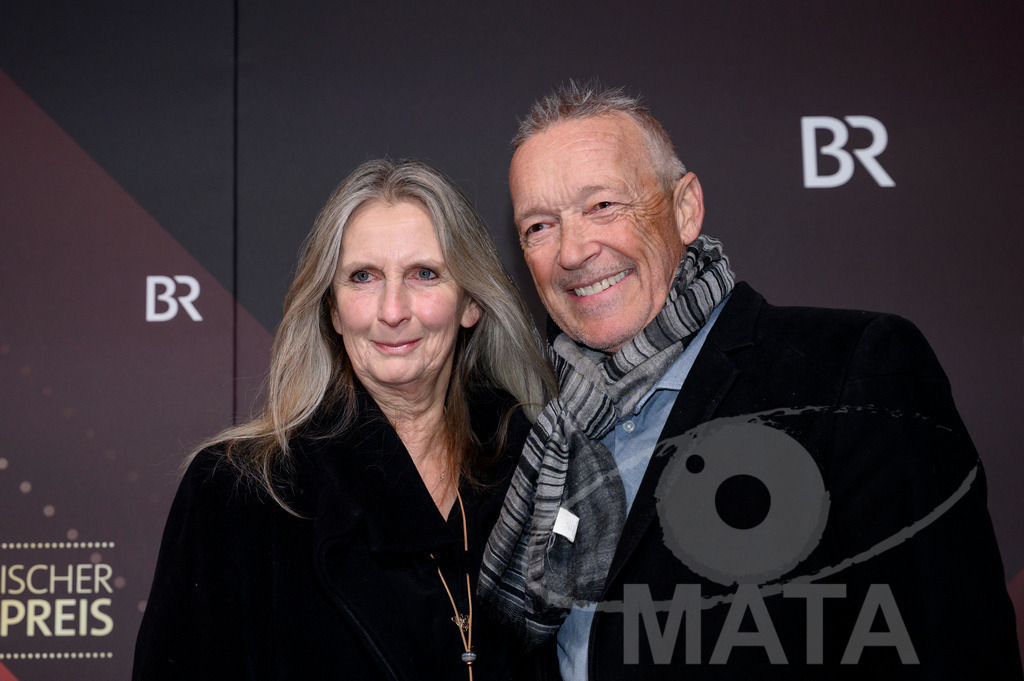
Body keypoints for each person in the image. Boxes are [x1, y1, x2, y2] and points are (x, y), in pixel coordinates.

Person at [481, 83, 1023, 679]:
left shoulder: (850, 370)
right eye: (539, 226)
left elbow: (954, 646)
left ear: (685, 208)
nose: (574, 250)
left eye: (603, 206)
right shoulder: (538, 437)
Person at [133, 158, 556, 681]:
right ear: (332, 310)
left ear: (470, 302)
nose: (393, 309)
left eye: (424, 274)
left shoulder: (543, 474)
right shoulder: (237, 494)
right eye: (363, 277)